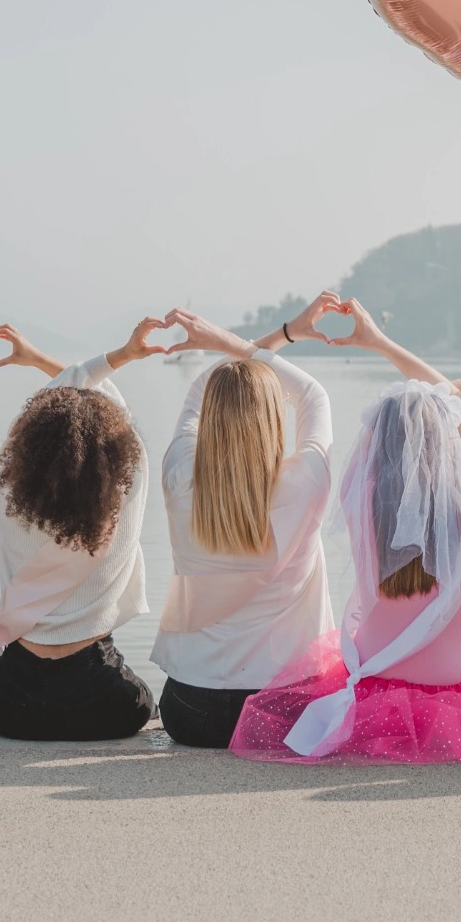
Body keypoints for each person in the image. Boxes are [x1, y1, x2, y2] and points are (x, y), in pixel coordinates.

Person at [231, 301, 461, 763]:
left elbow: (434, 412)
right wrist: (381, 342)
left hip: (375, 686)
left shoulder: (360, 497)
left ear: (375, 445)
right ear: (445, 430)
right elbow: (458, 406)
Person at [0, 318, 165, 742]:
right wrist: (115, 357)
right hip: (103, 700)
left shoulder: (9, 495)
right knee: (142, 700)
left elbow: (68, 398)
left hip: (12, 704)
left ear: (24, 445)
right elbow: (114, 416)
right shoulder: (127, 490)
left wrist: (44, 363)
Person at [151, 295, 343, 749]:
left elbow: (203, 387)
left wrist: (278, 334)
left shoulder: (179, 474)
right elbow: (313, 395)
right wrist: (233, 339)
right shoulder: (305, 482)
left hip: (191, 712)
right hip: (285, 711)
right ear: (275, 417)